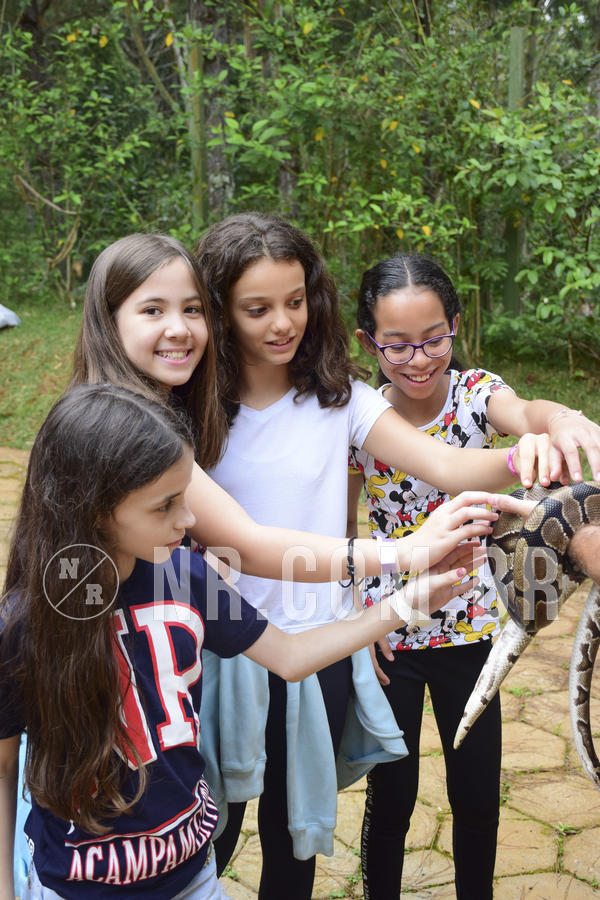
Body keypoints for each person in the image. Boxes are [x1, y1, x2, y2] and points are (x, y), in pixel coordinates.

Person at [191, 213, 594, 899]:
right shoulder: (201, 411)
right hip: (278, 647)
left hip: (383, 641)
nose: (282, 323)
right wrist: (385, 575)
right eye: (257, 309)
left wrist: (544, 434)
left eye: (295, 302)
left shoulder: (358, 399)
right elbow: (288, 536)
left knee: (305, 835)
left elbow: (461, 455)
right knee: (218, 831)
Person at [0, 383, 496, 900]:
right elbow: (5, 766)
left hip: (193, 877)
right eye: (165, 506)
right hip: (72, 888)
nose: (189, 521)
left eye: (185, 498)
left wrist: (407, 604)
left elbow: (291, 655)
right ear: (97, 507)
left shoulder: (187, 576)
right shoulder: (22, 626)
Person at [346, 254, 600, 900]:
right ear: (367, 342)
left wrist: (560, 422)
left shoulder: (475, 394)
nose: (419, 358)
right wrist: (358, 617)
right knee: (391, 796)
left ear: (455, 327)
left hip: (473, 632)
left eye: (434, 338)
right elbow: (344, 524)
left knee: (478, 795)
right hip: (392, 635)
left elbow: (527, 410)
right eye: (397, 345)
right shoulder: (363, 417)